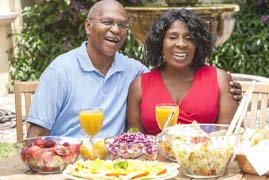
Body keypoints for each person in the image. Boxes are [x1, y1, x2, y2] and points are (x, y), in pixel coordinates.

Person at [27, 0, 241, 138]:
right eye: (107, 22)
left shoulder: (133, 70)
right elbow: (36, 133)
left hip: (119, 163)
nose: (115, 29)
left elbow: (226, 137)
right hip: (70, 161)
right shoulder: (60, 71)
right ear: (88, 26)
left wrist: (233, 89)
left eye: (122, 25)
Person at [127, 8, 239, 135]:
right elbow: (135, 140)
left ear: (197, 44)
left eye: (189, 38)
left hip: (206, 153)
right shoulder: (138, 86)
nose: (181, 44)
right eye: (173, 37)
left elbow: (228, 136)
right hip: (154, 154)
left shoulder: (220, 80)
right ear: (160, 43)